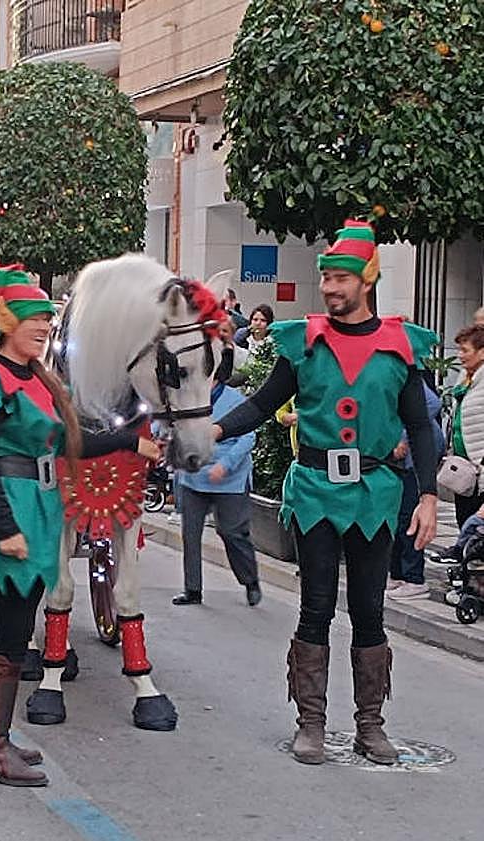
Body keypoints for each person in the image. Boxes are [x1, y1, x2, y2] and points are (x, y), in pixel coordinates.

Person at [213, 220, 438, 766]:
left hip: (375, 493)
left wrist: (428, 496)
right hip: (314, 490)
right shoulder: (303, 343)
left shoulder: (399, 347)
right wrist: (214, 431)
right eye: (327, 279)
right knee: (314, 608)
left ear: (368, 280)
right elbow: (263, 404)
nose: (332, 288)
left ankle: (370, 726)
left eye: (342, 278)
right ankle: (310, 723)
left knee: (368, 610)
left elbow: (421, 426)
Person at [0, 267, 161, 787]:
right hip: (9, 505)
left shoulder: (40, 380)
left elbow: (66, 445)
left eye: (48, 322)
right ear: (6, 323)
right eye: (34, 321)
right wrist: (5, 528)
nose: (44, 329)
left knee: (9, 630)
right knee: (11, 632)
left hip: (40, 503)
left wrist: (125, 444)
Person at [172, 377, 260, 607]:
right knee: (190, 535)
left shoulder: (235, 400)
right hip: (193, 476)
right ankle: (192, 589)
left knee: (232, 532)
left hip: (230, 479)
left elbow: (249, 436)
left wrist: (226, 465)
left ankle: (250, 581)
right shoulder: (186, 398)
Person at [387, 381, 444, 599]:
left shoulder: (403, 372)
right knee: (398, 517)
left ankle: (414, 578)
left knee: (409, 518)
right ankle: (398, 574)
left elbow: (430, 403)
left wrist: (404, 437)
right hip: (398, 462)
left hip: (414, 460)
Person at [448, 325, 484, 528]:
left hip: (481, 467)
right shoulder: (465, 378)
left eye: (465, 350)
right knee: (465, 522)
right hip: (464, 468)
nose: (460, 356)